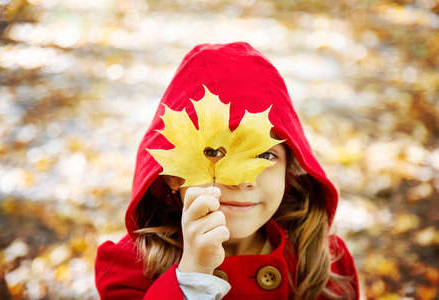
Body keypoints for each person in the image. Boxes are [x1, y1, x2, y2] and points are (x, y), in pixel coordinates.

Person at [94, 42, 360, 300]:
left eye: (265, 155)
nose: (243, 180)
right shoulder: (130, 268)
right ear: (173, 174)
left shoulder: (325, 263)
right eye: (213, 153)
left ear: (288, 170)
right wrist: (192, 277)